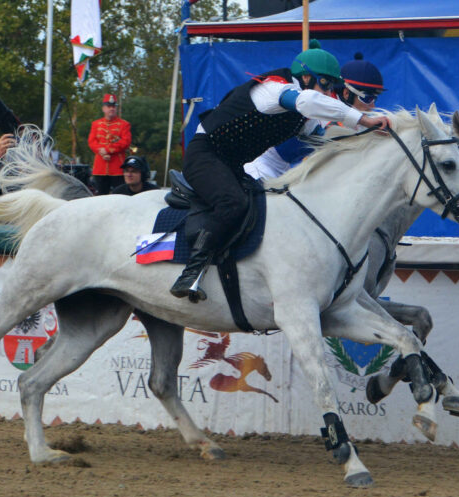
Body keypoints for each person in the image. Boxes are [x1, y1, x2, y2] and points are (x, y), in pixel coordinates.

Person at [170, 40, 390, 301]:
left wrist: (373, 138)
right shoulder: (274, 90)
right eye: (326, 84)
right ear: (306, 77)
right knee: (233, 203)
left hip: (231, 165)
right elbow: (307, 101)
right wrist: (364, 119)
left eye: (332, 86)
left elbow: (328, 141)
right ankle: (191, 273)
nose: (330, 91)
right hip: (204, 155)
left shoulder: (305, 117)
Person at [243, 52, 385, 181]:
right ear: (347, 93)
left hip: (282, 174)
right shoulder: (316, 107)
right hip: (255, 169)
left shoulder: (330, 111)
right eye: (368, 99)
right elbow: (310, 102)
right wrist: (365, 121)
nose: (373, 106)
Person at [88, 93, 132, 195]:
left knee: (120, 195)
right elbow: (92, 141)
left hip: (117, 167)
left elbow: (125, 142)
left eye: (113, 106)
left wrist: (107, 150)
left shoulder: (124, 124)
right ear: (103, 108)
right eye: (109, 106)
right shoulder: (96, 124)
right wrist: (101, 152)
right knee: (100, 196)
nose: (111, 109)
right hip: (100, 167)